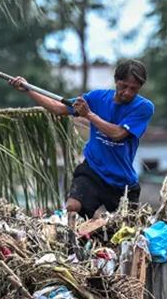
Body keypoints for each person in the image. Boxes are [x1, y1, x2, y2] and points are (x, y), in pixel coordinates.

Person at [9, 59, 154, 226]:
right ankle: (71, 248)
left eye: (133, 89)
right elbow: (58, 108)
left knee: (129, 228)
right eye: (123, 86)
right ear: (116, 80)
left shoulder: (144, 107)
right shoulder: (96, 97)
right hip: (94, 170)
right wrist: (28, 90)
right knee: (72, 207)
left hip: (122, 181)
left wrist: (89, 115)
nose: (127, 92)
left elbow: (118, 134)